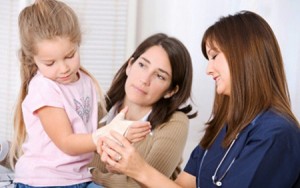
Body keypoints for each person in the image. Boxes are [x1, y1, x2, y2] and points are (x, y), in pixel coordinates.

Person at [97, 10, 300, 188]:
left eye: (214, 56)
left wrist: (139, 169)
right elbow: (182, 186)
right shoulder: (223, 129)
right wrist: (132, 168)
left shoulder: (277, 134)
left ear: (242, 56)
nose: (208, 70)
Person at [8, 0, 150, 187]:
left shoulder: (86, 82)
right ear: (33, 59)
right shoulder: (44, 87)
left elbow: (86, 138)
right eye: (50, 63)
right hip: (43, 181)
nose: (64, 68)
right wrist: (105, 135)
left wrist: (116, 140)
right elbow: (67, 142)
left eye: (70, 55)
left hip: (78, 177)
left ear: (78, 43)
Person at [87, 33, 197, 187]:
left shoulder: (174, 122)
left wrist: (90, 175)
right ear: (130, 65)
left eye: (159, 76)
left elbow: (142, 185)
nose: (145, 79)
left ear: (170, 91)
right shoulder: (94, 111)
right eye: (142, 65)